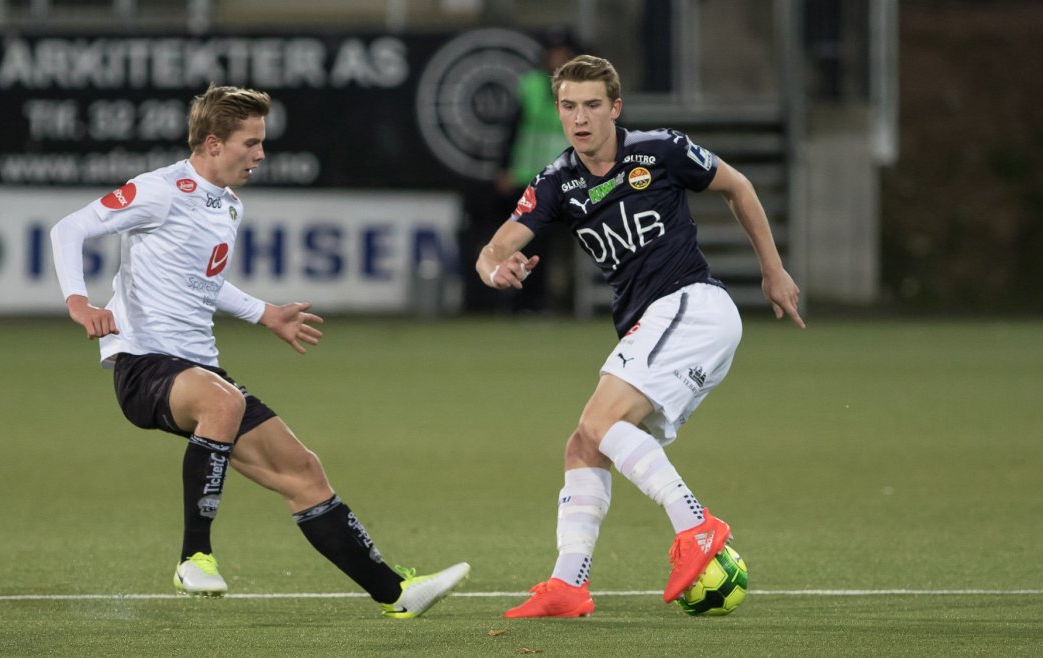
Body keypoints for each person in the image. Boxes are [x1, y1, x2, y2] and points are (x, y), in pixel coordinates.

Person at [49, 83, 469, 618]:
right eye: (250, 142)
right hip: (143, 365)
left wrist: (263, 312)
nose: (261, 153)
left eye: (261, 142)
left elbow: (202, 282)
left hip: (199, 368)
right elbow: (70, 228)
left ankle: (395, 593)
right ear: (213, 143)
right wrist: (78, 301)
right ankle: (193, 556)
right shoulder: (160, 189)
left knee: (303, 472)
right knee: (223, 403)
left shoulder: (228, 205)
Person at [476, 55, 804, 618]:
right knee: (585, 443)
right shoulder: (558, 181)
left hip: (691, 305)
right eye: (568, 106)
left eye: (592, 105)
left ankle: (697, 526)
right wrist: (495, 271)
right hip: (656, 324)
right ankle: (568, 584)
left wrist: (773, 271)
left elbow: (739, 186)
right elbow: (494, 248)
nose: (580, 118)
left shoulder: (659, 150)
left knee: (599, 423)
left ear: (616, 108)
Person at [491, 26, 581, 314]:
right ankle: (527, 301)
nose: (557, 58)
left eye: (562, 53)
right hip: (529, 176)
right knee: (530, 243)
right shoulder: (530, 85)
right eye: (553, 53)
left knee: (564, 244)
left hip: (571, 179)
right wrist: (505, 168)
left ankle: (563, 300)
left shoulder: (586, 87)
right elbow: (512, 130)